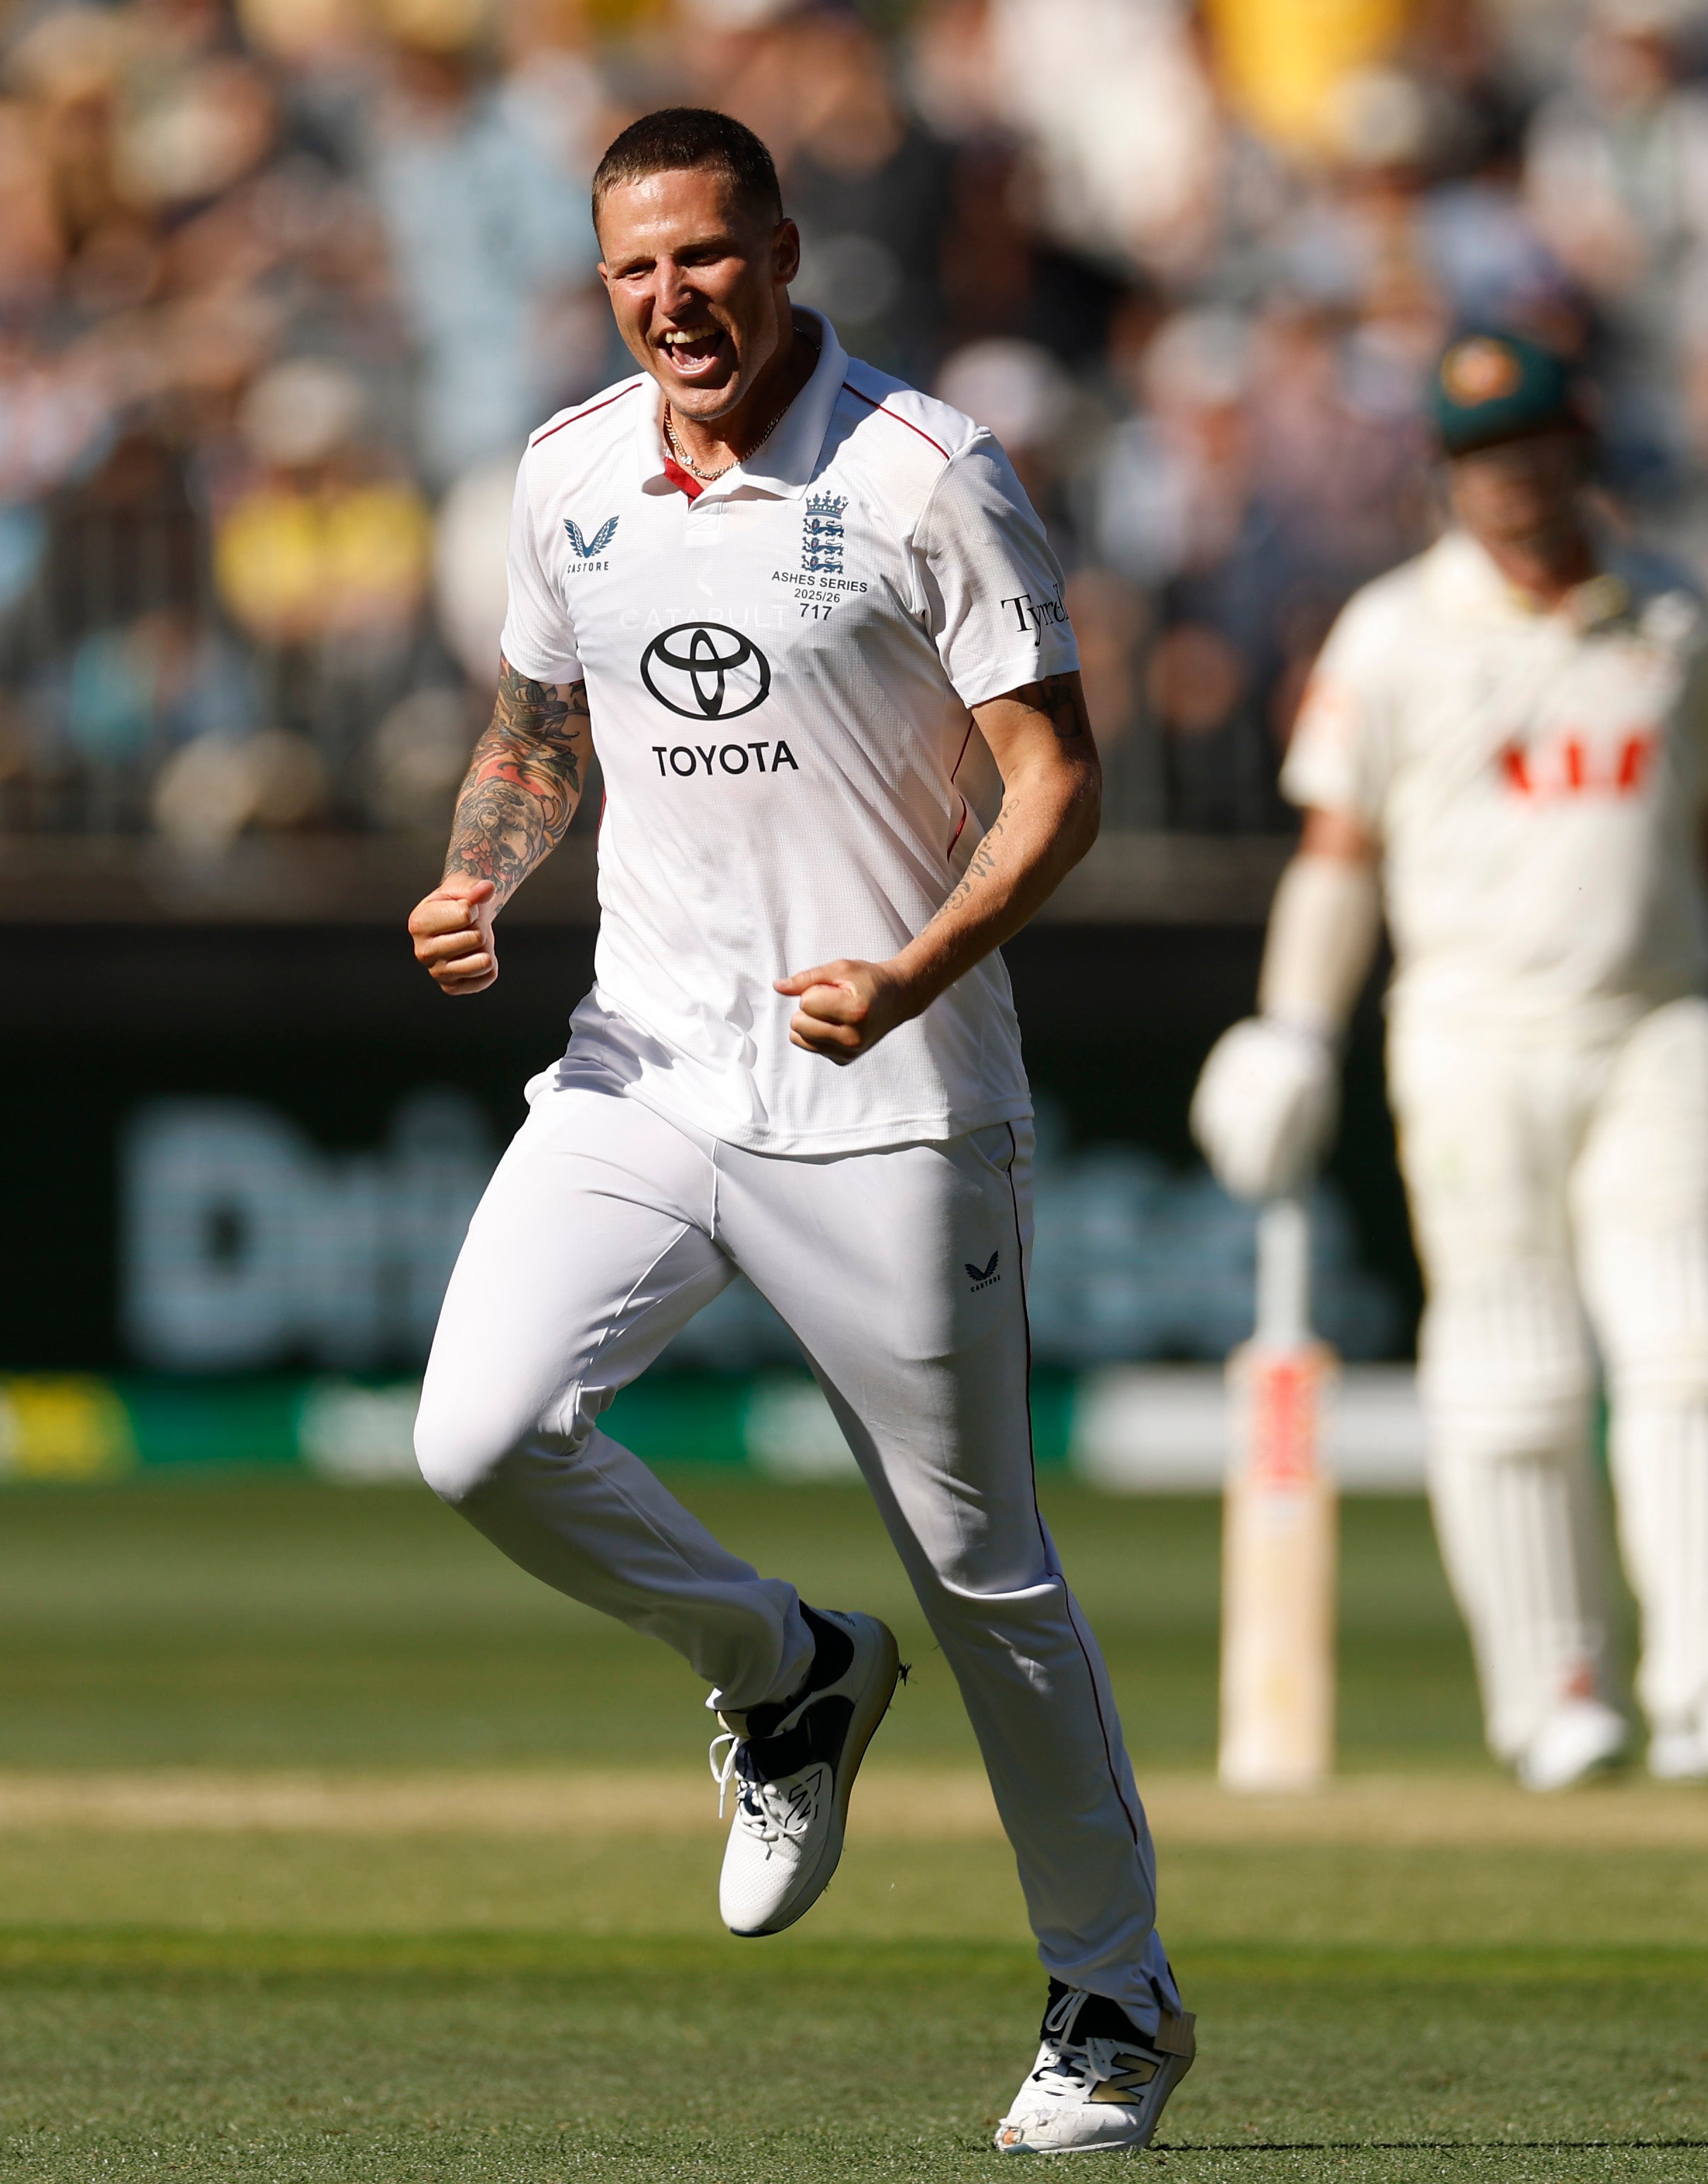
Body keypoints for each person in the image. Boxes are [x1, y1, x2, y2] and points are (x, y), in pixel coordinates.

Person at [403, 109, 1195, 2157]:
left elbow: (1058, 785)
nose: (674, 299)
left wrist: (916, 970)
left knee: (988, 1576)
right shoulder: (569, 471)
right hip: (645, 1064)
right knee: (474, 1432)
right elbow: (541, 725)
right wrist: (483, 870)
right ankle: (785, 1669)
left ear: (779, 245)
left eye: (705, 255)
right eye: (633, 270)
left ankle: (1114, 1996)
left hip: (896, 1096)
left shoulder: (927, 469)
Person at [1191, 328, 1708, 1794]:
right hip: (1467, 1038)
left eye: (1531, 450)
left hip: (1660, 1024)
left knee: (1698, 1345)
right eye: (1477, 459)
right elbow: (1336, 854)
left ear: (1580, 450)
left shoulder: (1671, 616)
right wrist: (1291, 1025)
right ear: (1445, 475)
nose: (1508, 484)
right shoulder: (1389, 634)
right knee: (1509, 1370)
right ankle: (1553, 1688)